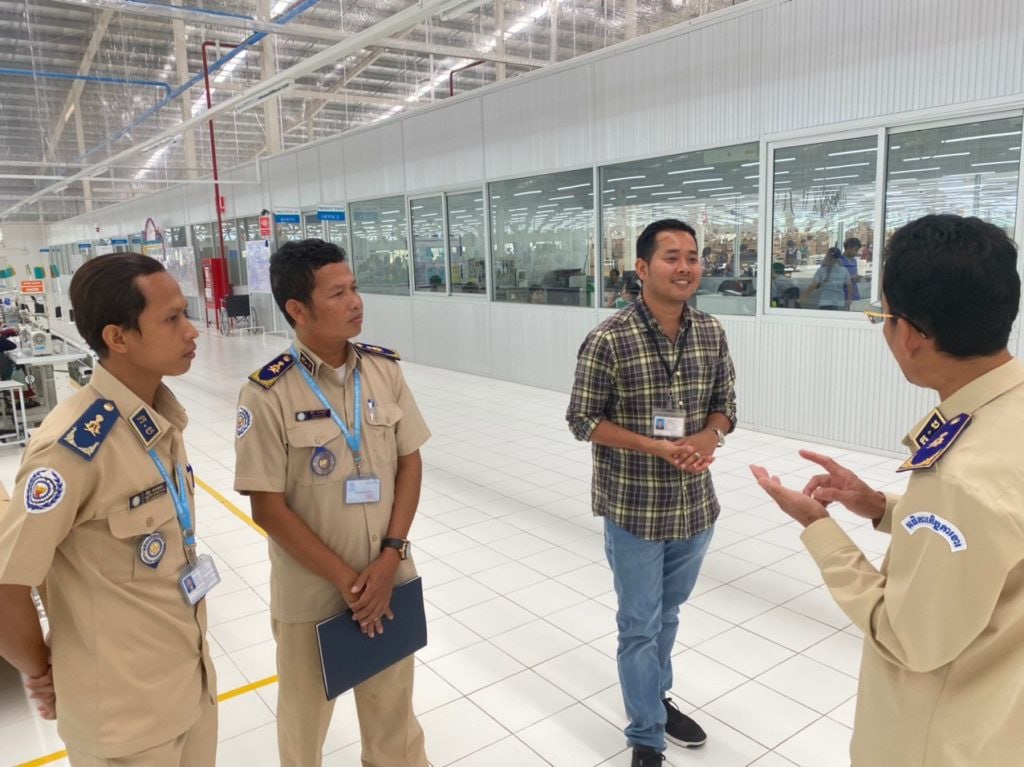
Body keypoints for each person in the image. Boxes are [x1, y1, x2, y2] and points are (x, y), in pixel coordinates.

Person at [750, 214, 1024, 767]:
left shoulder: (962, 476)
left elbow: (908, 638)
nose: (885, 332)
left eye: (885, 317)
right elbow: (993, 542)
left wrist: (819, 529)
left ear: (914, 335)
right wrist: (880, 507)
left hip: (938, 739)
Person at [0, 253, 217, 766]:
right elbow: (6, 584)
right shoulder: (72, 448)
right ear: (117, 337)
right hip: (124, 719)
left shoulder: (157, 418)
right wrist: (44, 671)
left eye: (186, 314)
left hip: (188, 687)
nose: (191, 331)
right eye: (171, 319)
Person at [233, 238, 429, 767]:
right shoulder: (267, 393)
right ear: (298, 309)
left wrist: (390, 556)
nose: (355, 302)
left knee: (393, 714)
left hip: (389, 575)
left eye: (355, 288)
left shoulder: (384, 371)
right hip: (313, 590)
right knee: (304, 721)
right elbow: (267, 507)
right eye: (338, 293)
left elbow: (409, 462)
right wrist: (348, 580)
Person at [567, 219, 736, 767]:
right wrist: (654, 447)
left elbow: (726, 406)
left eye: (692, 256)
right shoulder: (609, 338)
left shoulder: (710, 332)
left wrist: (708, 437)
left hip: (694, 507)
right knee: (639, 624)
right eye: (671, 257)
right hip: (634, 509)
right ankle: (646, 737)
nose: (685, 267)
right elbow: (582, 420)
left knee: (668, 613)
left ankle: (657, 699)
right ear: (642, 268)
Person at [801, 246, 853, 310]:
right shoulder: (844, 270)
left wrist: (803, 296)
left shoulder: (821, 270)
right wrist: (848, 300)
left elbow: (813, 286)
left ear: (827, 256)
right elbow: (850, 288)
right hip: (839, 302)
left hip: (825, 302)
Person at [840, 236, 863, 301]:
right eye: (855, 250)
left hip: (855, 296)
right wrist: (851, 278)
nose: (857, 252)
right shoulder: (839, 261)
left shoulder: (854, 261)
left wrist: (860, 278)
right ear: (848, 248)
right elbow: (835, 280)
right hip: (843, 297)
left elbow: (854, 276)